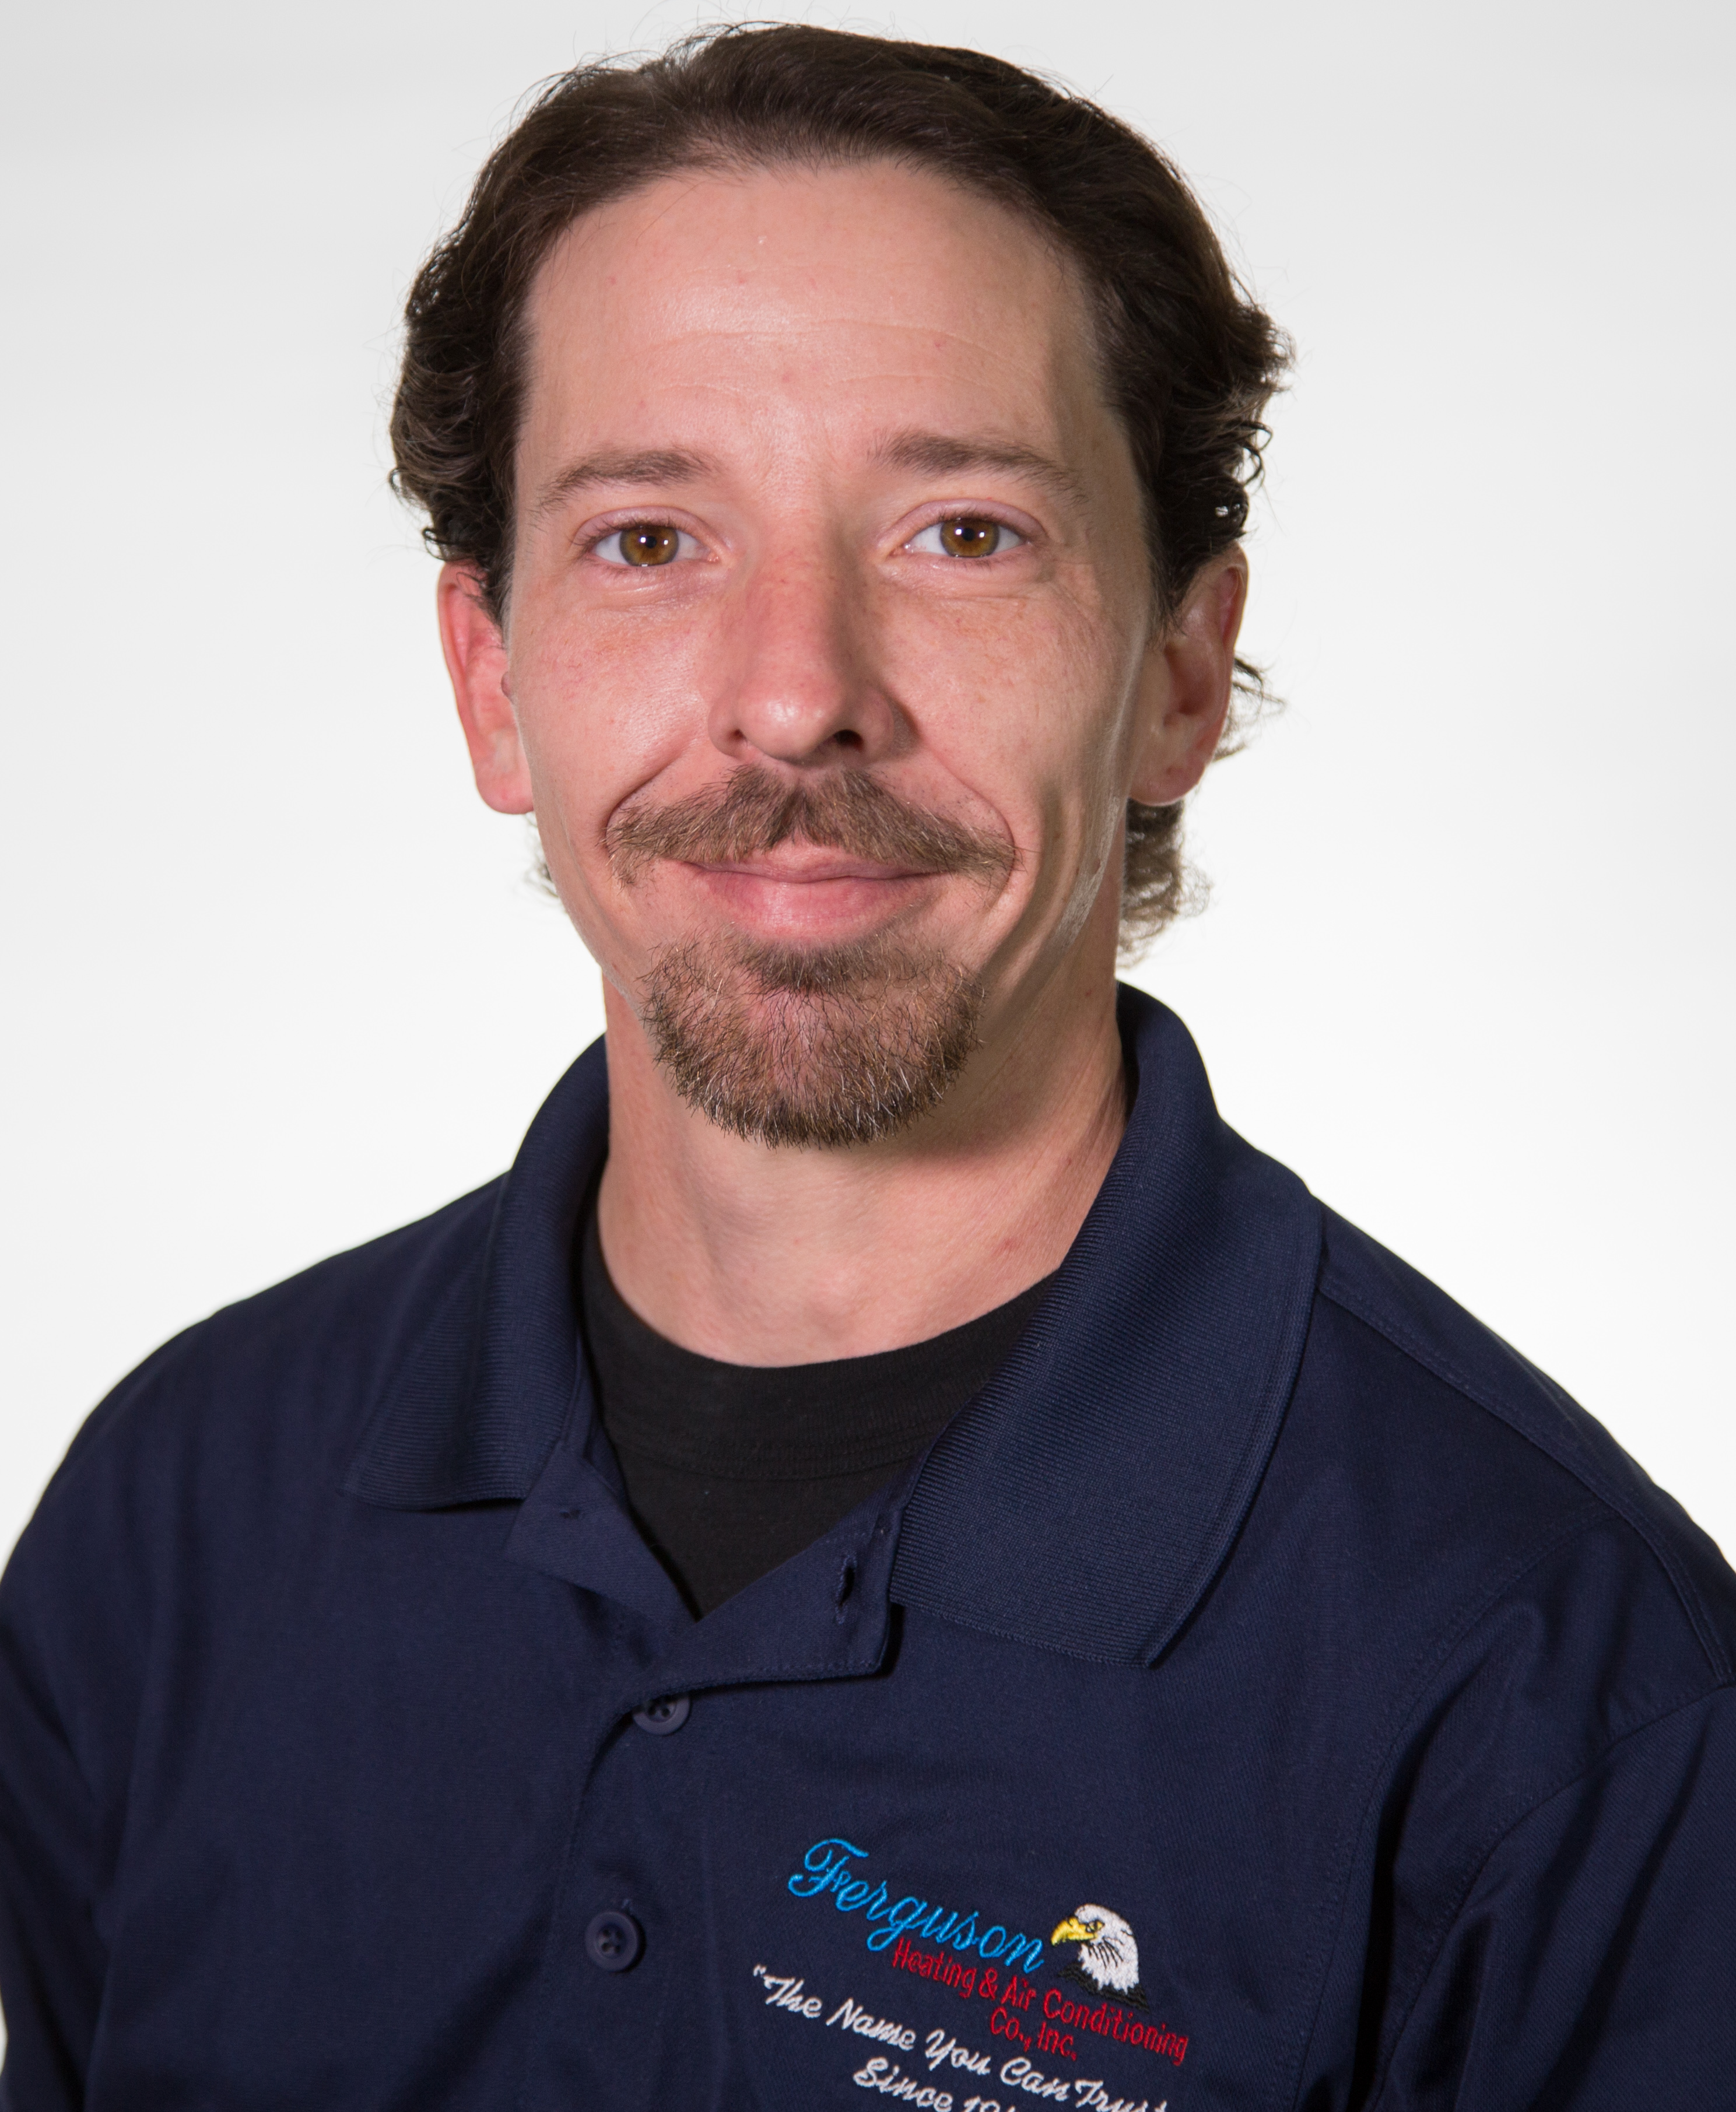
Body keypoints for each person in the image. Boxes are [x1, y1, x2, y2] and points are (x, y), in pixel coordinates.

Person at [2, 23, 1731, 2110]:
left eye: (963, 533)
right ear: (491, 681)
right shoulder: (175, 1518)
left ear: (1177, 675)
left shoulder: (1561, 1679)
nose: (796, 695)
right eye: (650, 539)